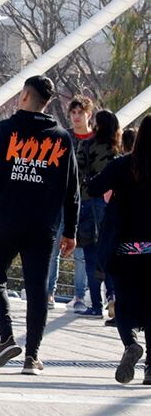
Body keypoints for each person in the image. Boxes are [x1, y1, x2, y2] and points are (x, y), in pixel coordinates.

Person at [0, 75, 78, 376]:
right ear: (46, 102)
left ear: (24, 96)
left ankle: (6, 336)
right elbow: (72, 190)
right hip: (43, 227)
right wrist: (70, 230)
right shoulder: (61, 137)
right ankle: (32, 357)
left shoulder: (2, 131)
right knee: (37, 290)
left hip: (6, 220)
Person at [88, 115, 151, 384]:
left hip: (125, 247)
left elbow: (93, 187)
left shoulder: (124, 165)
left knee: (124, 304)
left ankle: (131, 344)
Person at [47, 96, 94, 311]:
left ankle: (79, 295)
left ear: (88, 114)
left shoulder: (96, 139)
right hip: (60, 199)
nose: (76, 117)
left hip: (86, 200)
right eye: (73, 113)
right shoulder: (64, 137)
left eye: (80, 113)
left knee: (81, 252)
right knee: (53, 248)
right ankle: (48, 293)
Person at [75, 109, 120, 321]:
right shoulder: (117, 149)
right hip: (112, 205)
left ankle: (96, 304)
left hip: (87, 201)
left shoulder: (87, 145)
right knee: (110, 252)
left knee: (91, 254)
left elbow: (78, 172)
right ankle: (113, 295)